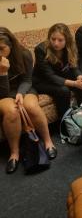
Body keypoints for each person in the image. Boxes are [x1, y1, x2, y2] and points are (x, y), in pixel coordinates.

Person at [0, 27, 57, 174]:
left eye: (2, 48)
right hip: (3, 93)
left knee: (31, 106)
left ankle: (48, 142)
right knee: (12, 111)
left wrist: (20, 93)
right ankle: (14, 153)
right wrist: (3, 72)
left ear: (10, 45)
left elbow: (27, 80)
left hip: (24, 88)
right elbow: (4, 93)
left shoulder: (24, 54)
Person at [33, 23, 82, 118]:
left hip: (61, 76)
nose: (56, 43)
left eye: (60, 40)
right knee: (63, 90)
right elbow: (50, 76)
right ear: (49, 38)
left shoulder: (70, 47)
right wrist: (74, 83)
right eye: (53, 39)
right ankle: (65, 122)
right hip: (42, 81)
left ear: (67, 40)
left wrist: (80, 77)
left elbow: (74, 66)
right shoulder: (40, 49)